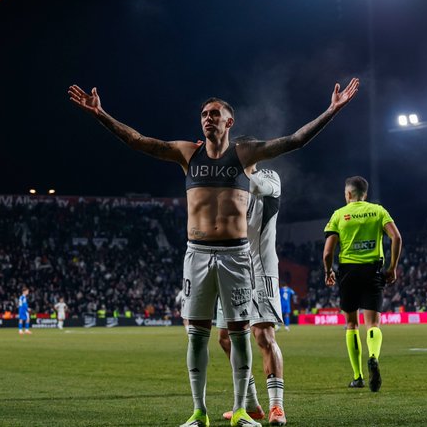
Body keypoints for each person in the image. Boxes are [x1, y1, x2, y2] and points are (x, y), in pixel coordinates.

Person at [68, 77, 359, 427]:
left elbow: (294, 140)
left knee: (241, 333)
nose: (208, 118)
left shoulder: (244, 154)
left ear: (229, 121)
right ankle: (199, 411)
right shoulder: (187, 153)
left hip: (238, 255)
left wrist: (331, 110)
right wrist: (101, 114)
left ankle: (246, 410)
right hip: (197, 253)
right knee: (199, 334)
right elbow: (139, 141)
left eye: (215, 114)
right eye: (204, 114)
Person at [216, 152, 287, 426]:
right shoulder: (226, 184)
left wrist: (223, 167)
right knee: (225, 338)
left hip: (261, 268)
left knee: (263, 335)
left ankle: (277, 407)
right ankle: (251, 404)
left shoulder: (269, 177)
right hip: (232, 269)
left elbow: (254, 186)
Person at [323, 176, 402, 392]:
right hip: (372, 271)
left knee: (351, 325)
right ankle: (373, 356)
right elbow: (396, 237)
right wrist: (392, 267)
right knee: (373, 324)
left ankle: (358, 377)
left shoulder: (339, 215)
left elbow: (328, 252)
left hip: (348, 273)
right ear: (365, 194)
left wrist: (328, 271)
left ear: (348, 194)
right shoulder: (378, 211)